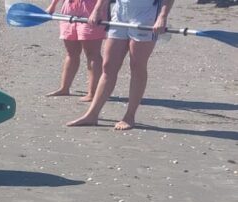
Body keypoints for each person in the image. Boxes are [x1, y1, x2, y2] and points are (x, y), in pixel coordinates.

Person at [67, 0, 174, 130]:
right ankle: (92, 115)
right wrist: (97, 9)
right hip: (120, 14)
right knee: (108, 66)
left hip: (146, 15)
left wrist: (162, 17)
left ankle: (129, 116)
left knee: (137, 65)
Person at [45, 0, 104, 101]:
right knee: (71, 52)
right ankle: (64, 88)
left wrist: (97, 10)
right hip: (69, 9)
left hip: (90, 9)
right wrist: (52, 5)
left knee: (92, 54)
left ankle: (93, 93)